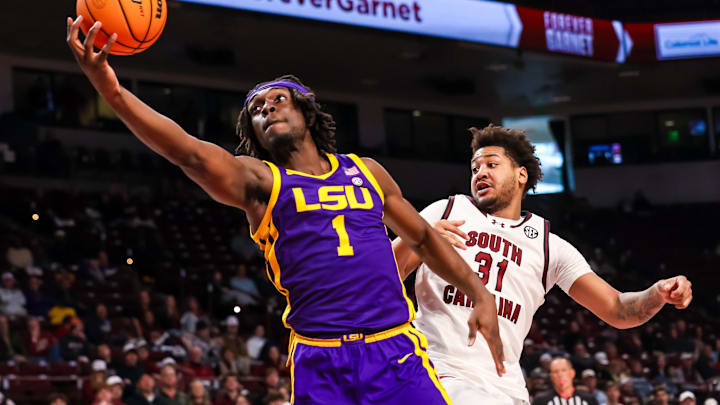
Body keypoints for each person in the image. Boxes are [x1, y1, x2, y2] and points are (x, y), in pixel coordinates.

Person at [66, 16, 505, 405]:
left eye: (278, 100)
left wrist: (480, 293)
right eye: (257, 110)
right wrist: (112, 91)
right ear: (254, 133)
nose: (267, 109)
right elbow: (191, 155)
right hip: (319, 357)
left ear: (306, 113)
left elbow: (424, 238)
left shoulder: (366, 171)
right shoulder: (260, 182)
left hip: (394, 352)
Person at [392, 124, 694, 405]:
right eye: (475, 168)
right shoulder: (446, 209)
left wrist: (657, 294)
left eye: (491, 165)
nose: (480, 173)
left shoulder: (548, 245)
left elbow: (616, 308)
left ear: (521, 175)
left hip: (506, 388)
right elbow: (382, 273)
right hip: (439, 370)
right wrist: (420, 241)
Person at [532, 357, 598, 405]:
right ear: (551, 377)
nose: (560, 375)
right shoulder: (540, 401)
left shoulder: (588, 399)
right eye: (555, 372)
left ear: (572, 373)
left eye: (563, 370)